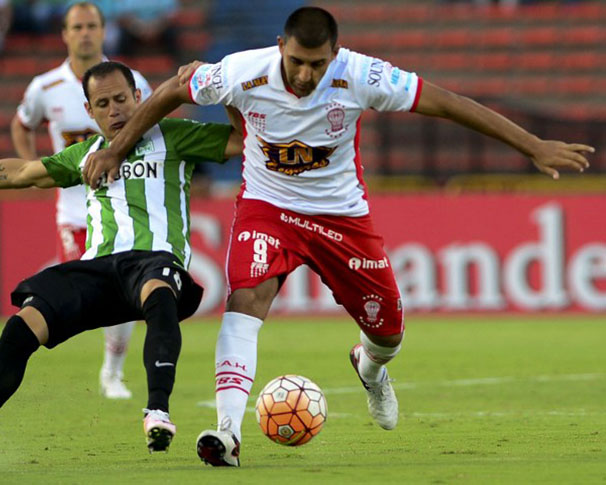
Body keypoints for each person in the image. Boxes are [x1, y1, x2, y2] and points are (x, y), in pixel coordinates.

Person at [81, 6, 595, 467]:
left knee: (389, 333)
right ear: (281, 48)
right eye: (298, 61)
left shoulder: (361, 74)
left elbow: (448, 103)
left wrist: (532, 146)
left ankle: (369, 369)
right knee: (245, 300)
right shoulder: (243, 70)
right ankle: (229, 433)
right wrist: (117, 149)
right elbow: (173, 90)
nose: (306, 75)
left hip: (341, 218)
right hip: (268, 207)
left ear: (335, 54)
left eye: (318, 64)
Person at [0, 60, 243, 472]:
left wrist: (227, 91)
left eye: (122, 99)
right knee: (23, 324)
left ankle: (157, 412)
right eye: (102, 103)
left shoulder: (172, 136)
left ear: (139, 98)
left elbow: (242, 141)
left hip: (155, 261)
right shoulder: (85, 153)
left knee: (158, 295)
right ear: (89, 111)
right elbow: (22, 173)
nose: (114, 110)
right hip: (97, 271)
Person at [11, 1, 153, 400]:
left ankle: (112, 371)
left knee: (119, 288)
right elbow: (22, 124)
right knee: (92, 290)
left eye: (92, 25)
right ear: (65, 34)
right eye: (78, 27)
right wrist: (33, 167)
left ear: (104, 31)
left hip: (124, 203)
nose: (85, 33)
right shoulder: (45, 87)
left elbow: (155, 126)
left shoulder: (131, 80)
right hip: (75, 208)